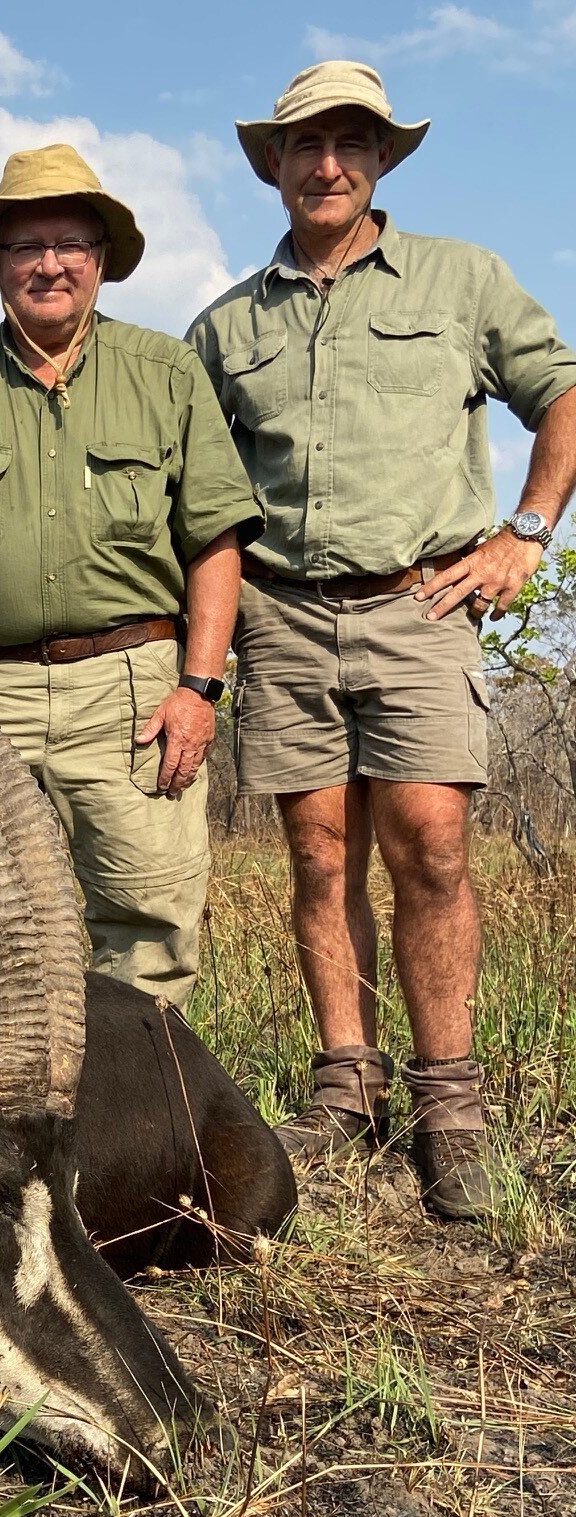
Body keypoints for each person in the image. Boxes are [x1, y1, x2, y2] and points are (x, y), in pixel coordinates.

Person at [187, 61, 576, 1217]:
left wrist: (525, 533)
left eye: (351, 143)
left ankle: (448, 1100)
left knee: (434, 848)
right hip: (284, 614)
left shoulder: (462, 281)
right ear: (275, 165)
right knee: (317, 856)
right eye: (306, 146)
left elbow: (562, 393)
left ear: (381, 160)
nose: (327, 164)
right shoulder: (225, 323)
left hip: (421, 604)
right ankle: (344, 1080)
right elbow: (198, 492)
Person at [0, 144, 260, 1010]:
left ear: (101, 261)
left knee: (146, 923)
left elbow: (216, 540)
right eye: (25, 246)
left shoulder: (166, 372)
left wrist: (198, 690)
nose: (49, 264)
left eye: (70, 242)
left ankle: (139, 1128)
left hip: (133, 689)